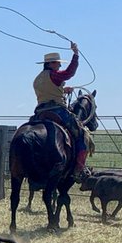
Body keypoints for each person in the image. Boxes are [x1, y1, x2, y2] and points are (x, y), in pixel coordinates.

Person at [32, 42, 88, 180]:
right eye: (57, 63)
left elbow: (48, 90)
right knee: (81, 133)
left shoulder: (38, 79)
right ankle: (78, 169)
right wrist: (75, 55)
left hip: (40, 111)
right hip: (56, 110)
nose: (60, 66)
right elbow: (69, 73)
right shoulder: (54, 75)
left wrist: (63, 90)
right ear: (51, 64)